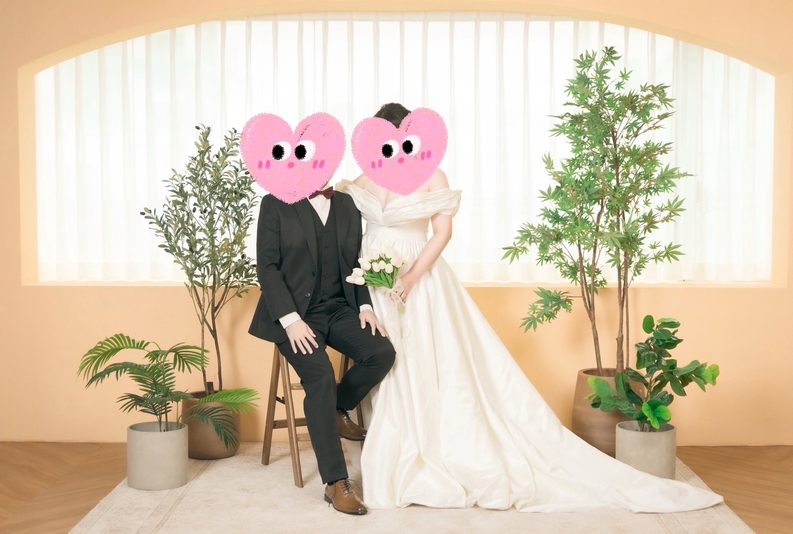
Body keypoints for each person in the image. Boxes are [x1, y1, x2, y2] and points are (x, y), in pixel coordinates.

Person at [339, 102, 723, 513]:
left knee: (430, 358)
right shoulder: (363, 177)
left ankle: (428, 444)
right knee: (387, 360)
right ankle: (388, 439)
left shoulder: (432, 176)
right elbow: (342, 223)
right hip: (371, 281)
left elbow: (442, 232)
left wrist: (412, 276)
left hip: (421, 277)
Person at [248, 178, 396, 516]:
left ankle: (335, 406)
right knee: (320, 376)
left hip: (339, 309)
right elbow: (267, 267)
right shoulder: (274, 203)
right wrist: (290, 319)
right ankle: (335, 482)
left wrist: (365, 307)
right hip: (295, 314)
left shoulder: (346, 204)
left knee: (382, 353)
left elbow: (355, 262)